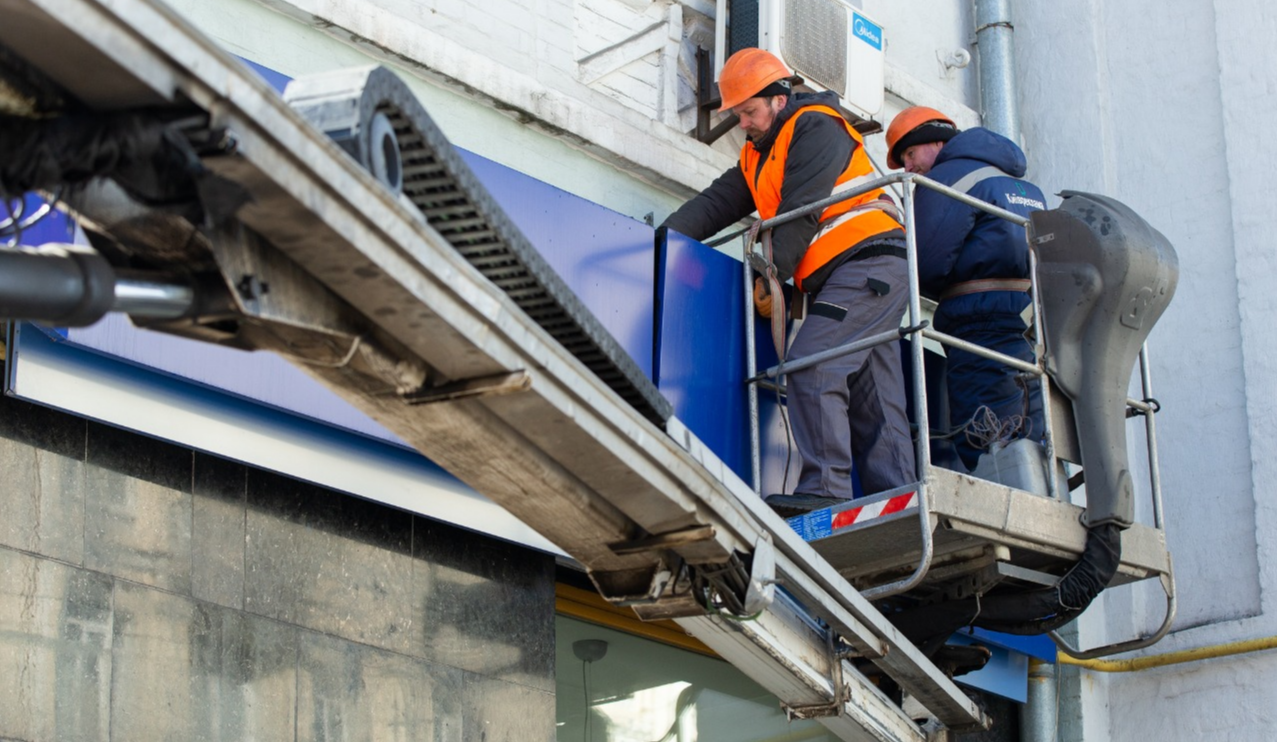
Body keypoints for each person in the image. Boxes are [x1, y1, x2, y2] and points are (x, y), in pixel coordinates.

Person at [661, 48, 915, 517]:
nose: (743, 122)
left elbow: (801, 212)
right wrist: (664, 237)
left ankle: (826, 490)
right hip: (860, 274)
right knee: (874, 399)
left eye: (749, 111)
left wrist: (772, 274)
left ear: (779, 99)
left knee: (812, 365)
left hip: (868, 262)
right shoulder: (758, 154)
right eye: (737, 113)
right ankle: (898, 504)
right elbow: (717, 204)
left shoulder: (815, 126)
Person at [885, 107, 1047, 470]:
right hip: (1027, 321)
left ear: (937, 143)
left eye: (910, 155)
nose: (908, 168)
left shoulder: (947, 178)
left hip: (977, 323)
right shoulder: (1021, 186)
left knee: (985, 432)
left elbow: (922, 261)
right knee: (1029, 424)